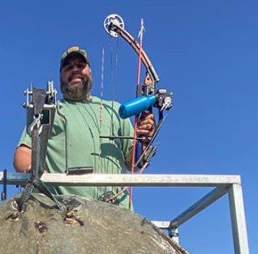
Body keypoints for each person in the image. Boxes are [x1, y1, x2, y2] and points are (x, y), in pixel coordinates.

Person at [13, 45, 155, 207]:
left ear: (90, 71)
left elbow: (134, 163)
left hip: (117, 215)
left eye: (81, 66)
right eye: (68, 67)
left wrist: (144, 138)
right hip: (64, 215)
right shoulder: (49, 111)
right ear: (60, 75)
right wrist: (32, 170)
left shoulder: (116, 109)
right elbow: (23, 152)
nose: (75, 70)